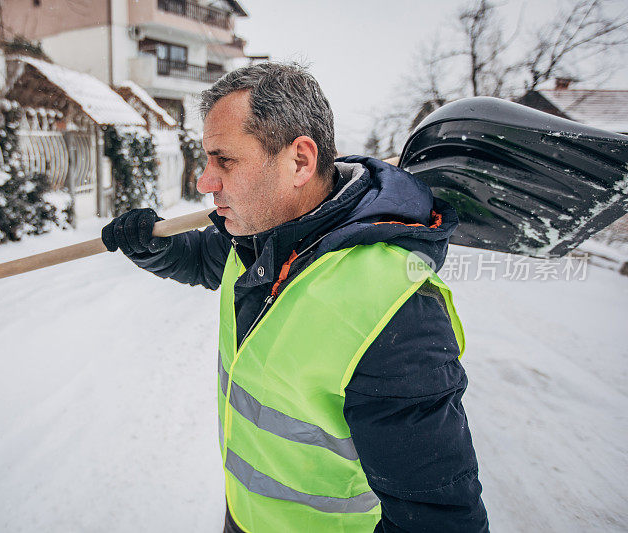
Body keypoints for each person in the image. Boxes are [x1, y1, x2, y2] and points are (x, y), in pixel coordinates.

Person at [101, 62, 489, 533]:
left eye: (225, 160)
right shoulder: (259, 234)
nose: (204, 182)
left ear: (300, 162)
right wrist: (153, 246)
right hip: (245, 516)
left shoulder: (394, 311)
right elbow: (204, 259)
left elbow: (437, 522)